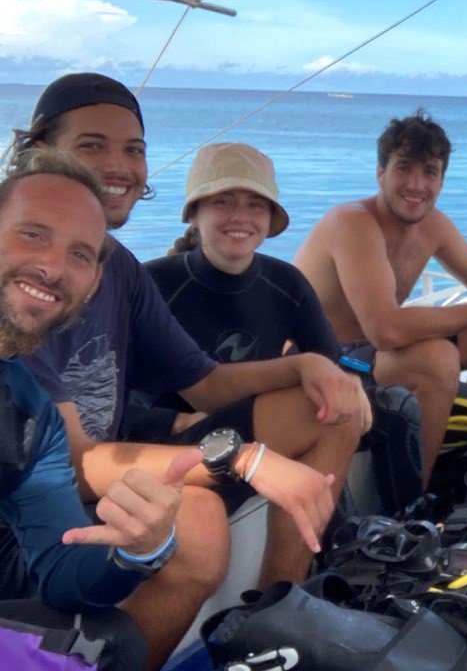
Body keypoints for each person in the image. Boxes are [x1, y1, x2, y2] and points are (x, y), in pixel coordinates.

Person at [2, 73, 371, 660]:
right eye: (93, 144)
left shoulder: (115, 268)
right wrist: (245, 458)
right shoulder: (23, 304)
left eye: (134, 149)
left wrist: (305, 365)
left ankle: (277, 611)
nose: (117, 165)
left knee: (325, 411)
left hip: (79, 471)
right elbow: (72, 460)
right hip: (68, 478)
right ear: (38, 154)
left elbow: (207, 382)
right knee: (195, 524)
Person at [0, 148, 226, 671]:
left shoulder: (36, 413)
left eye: (80, 254)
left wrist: (134, 550)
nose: (53, 267)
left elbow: (59, 567)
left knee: (111, 639)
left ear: (95, 283)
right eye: (32, 233)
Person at [294, 110, 467, 482]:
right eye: (404, 168)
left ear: (442, 180)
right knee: (437, 357)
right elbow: (386, 331)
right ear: (380, 173)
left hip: (371, 357)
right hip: (327, 362)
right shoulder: (352, 223)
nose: (416, 184)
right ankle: (416, 502)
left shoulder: (433, 225)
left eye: (430, 171)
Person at [139, 141, 339, 422]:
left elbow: (329, 366)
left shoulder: (287, 283)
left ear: (269, 218)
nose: (240, 216)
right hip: (169, 437)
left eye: (255, 204)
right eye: (223, 201)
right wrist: (174, 424)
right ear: (194, 214)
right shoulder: (150, 283)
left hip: (260, 429)